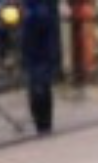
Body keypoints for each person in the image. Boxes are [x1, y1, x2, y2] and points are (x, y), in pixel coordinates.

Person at [18, 0, 59, 132]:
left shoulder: (34, 11)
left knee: (38, 85)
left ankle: (42, 123)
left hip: (37, 48)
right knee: (41, 85)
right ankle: (44, 123)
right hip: (39, 49)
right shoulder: (37, 9)